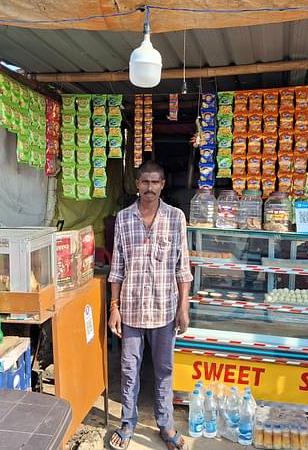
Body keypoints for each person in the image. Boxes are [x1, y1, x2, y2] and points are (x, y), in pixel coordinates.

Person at [108, 161, 192, 450]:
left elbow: (183, 268)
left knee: (164, 371)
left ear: (163, 185)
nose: (150, 188)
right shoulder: (123, 218)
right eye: (145, 182)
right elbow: (116, 267)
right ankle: (127, 423)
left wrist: (184, 307)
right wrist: (114, 308)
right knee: (129, 370)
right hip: (130, 309)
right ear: (137, 184)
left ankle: (165, 425)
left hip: (164, 310)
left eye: (155, 182)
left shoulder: (175, 218)